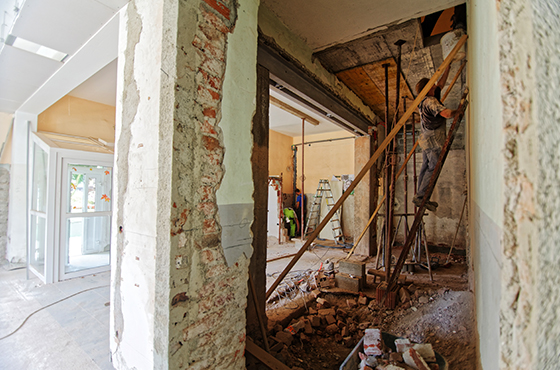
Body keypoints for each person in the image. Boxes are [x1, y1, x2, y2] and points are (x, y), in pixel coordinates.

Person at [412, 65, 458, 212]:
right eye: (431, 84)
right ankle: (421, 198)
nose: (434, 85)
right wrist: (460, 109)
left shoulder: (428, 97)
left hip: (426, 137)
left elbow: (441, 84)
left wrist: (448, 66)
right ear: (428, 88)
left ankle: (420, 197)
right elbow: (447, 114)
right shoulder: (430, 101)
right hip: (432, 138)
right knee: (432, 168)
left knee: (425, 167)